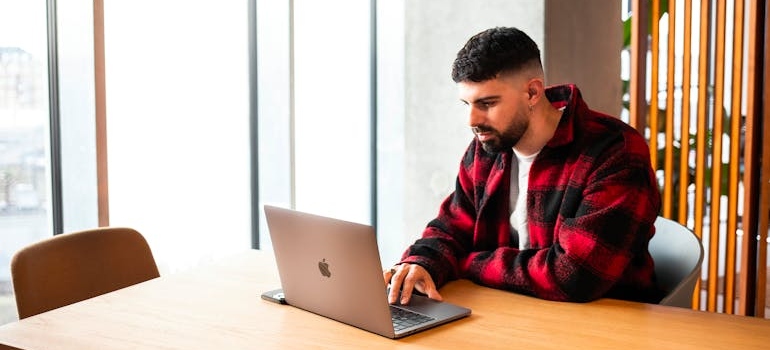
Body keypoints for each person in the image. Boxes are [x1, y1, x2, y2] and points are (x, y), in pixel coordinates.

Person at [384, 26, 663, 305]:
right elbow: (452, 227)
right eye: (466, 104)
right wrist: (420, 263)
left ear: (532, 92)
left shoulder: (615, 151)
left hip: (606, 324)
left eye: (487, 103)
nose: (471, 120)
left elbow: (574, 277)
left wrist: (468, 262)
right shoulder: (489, 145)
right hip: (511, 311)